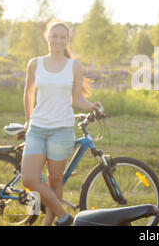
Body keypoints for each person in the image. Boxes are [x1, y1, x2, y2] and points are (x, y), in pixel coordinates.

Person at [21, 20, 103, 226]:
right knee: (29, 178)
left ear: (67, 41)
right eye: (54, 36)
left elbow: (77, 99)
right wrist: (28, 121)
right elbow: (28, 93)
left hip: (62, 130)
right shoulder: (35, 63)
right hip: (38, 128)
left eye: (62, 37)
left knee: (55, 181)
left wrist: (92, 105)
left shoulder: (74, 66)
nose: (58, 40)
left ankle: (50, 224)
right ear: (47, 36)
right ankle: (65, 217)